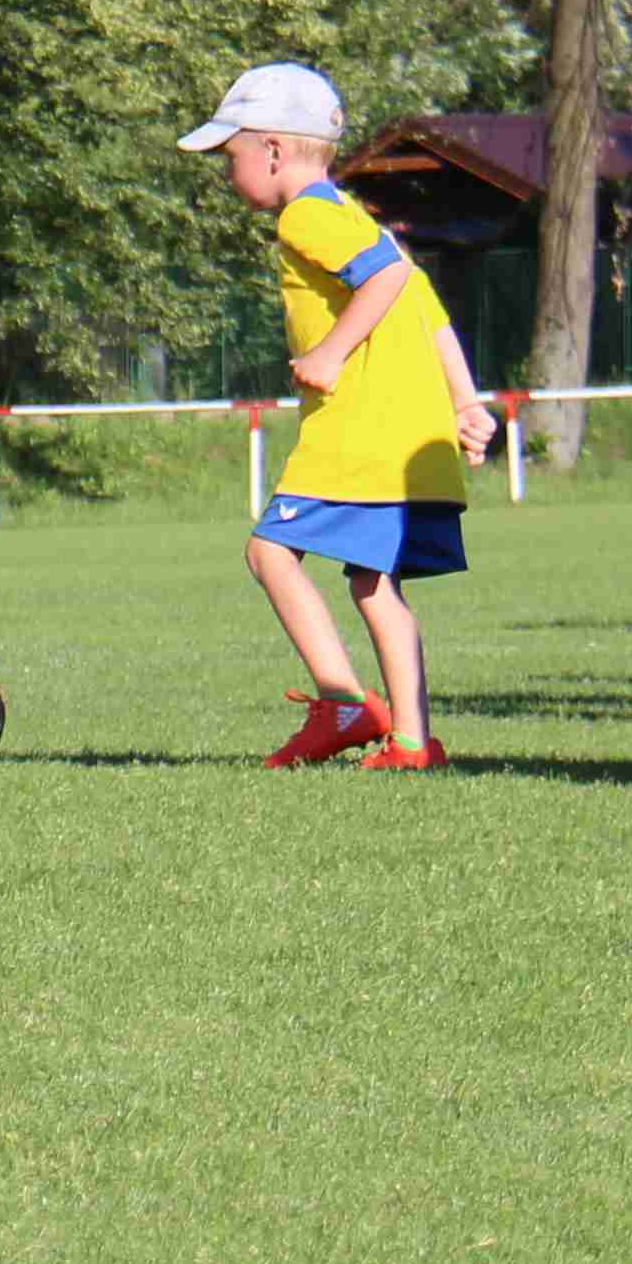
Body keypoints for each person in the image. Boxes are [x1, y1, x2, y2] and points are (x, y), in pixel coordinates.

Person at [186, 64, 495, 772]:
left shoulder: (306, 216)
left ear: (272, 150)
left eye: (230, 156)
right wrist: (464, 401)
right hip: (408, 436)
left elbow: (388, 280)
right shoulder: (359, 220)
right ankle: (413, 742)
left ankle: (343, 705)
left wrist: (329, 351)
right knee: (373, 581)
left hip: (358, 433)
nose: (228, 173)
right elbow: (425, 305)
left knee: (269, 554)